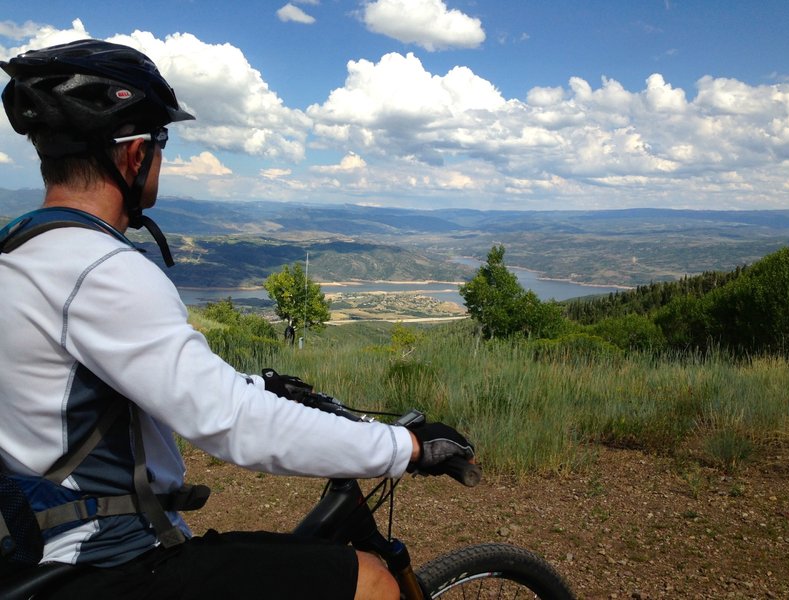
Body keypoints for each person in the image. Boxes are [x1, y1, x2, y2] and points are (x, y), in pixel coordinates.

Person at [0, 39, 474, 599]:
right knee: (370, 579)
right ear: (134, 155)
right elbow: (232, 425)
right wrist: (407, 448)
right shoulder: (101, 269)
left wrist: (259, 384)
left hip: (29, 550)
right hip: (110, 561)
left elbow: (126, 381)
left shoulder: (21, 248)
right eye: (162, 141)